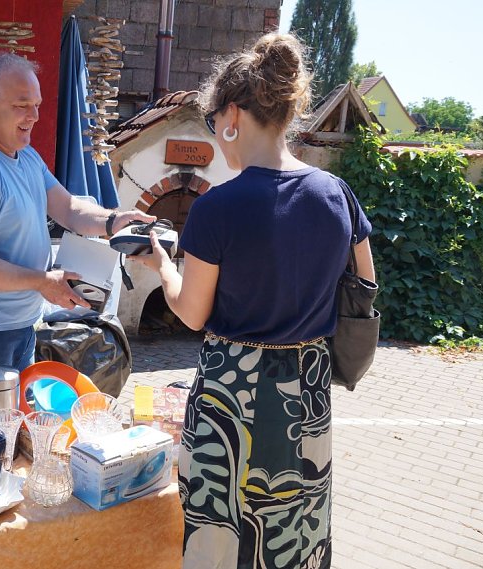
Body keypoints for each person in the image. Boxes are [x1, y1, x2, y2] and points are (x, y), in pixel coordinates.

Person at [133, 33, 375, 569]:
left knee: (222, 537)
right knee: (298, 530)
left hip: (232, 394)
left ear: (232, 115)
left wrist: (164, 267)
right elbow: (364, 289)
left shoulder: (218, 207)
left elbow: (192, 312)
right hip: (307, 394)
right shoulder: (337, 194)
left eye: (214, 120)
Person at [0, 52, 154, 434]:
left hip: (17, 324)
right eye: (21, 106)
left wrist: (115, 222)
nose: (34, 116)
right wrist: (41, 281)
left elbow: (68, 208)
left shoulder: (26, 157)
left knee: (12, 430)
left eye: (36, 105)